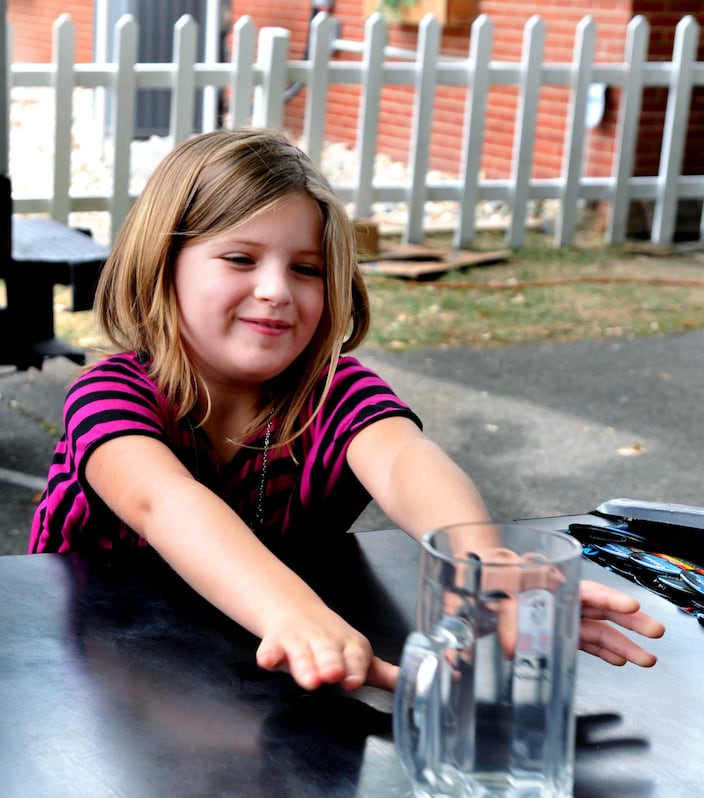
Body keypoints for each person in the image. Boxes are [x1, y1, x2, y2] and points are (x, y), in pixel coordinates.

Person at [29, 129, 664, 692]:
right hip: (114, 666)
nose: (276, 290)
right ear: (162, 267)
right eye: (240, 258)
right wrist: (292, 611)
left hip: (281, 668)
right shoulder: (112, 390)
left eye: (305, 269)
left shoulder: (332, 392)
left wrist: (483, 567)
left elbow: (404, 460)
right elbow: (163, 502)